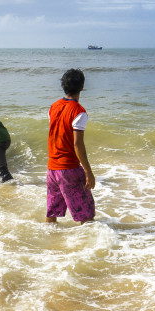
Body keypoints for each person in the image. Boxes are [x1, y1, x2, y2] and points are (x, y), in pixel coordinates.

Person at [46, 68, 96, 224]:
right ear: (82, 87)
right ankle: (88, 247)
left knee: (52, 213)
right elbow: (77, 144)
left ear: (63, 86)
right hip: (69, 169)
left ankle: (49, 242)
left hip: (52, 169)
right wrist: (88, 172)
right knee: (86, 215)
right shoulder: (79, 112)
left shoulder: (53, 107)